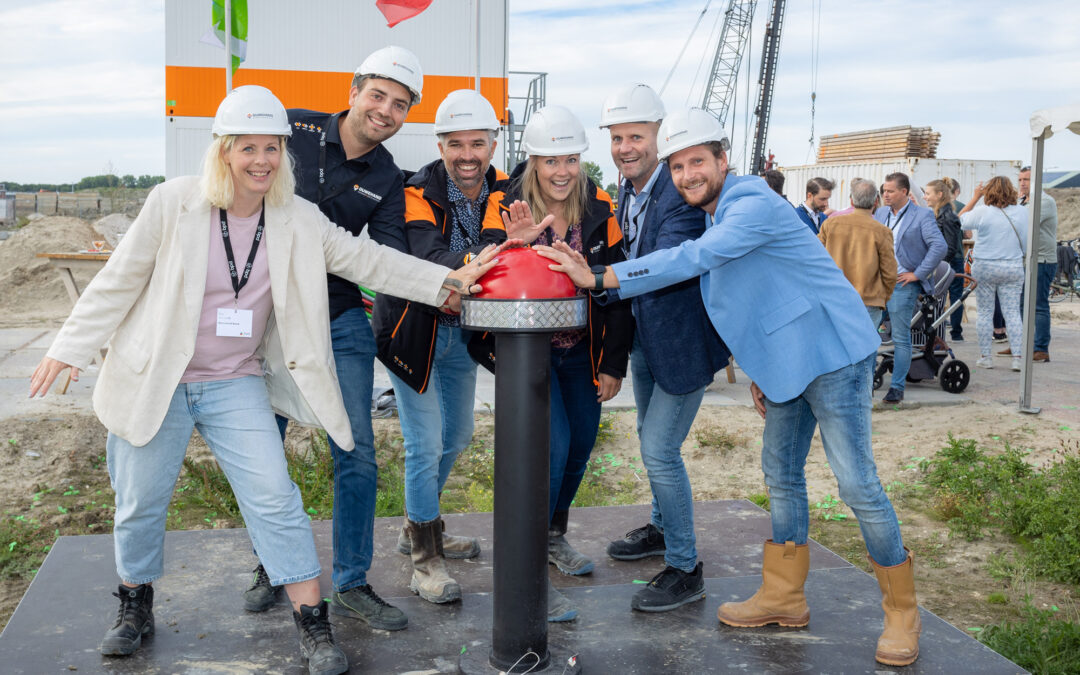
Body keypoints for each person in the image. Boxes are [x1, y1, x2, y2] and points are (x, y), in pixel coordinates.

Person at [26, 86, 501, 675]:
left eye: (272, 148)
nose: (261, 160)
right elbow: (117, 281)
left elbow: (370, 261)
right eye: (247, 147)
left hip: (235, 380)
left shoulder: (298, 218)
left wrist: (449, 279)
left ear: (284, 152)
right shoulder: (173, 203)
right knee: (141, 503)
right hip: (158, 380)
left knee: (276, 500)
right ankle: (134, 604)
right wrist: (69, 346)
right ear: (224, 151)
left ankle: (312, 623)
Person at [537, 107, 920, 667]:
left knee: (857, 484)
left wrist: (600, 277)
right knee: (782, 478)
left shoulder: (750, 204)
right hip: (787, 366)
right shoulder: (719, 213)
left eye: (699, 162)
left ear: (723, 160)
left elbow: (695, 258)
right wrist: (762, 369)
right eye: (679, 166)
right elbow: (756, 298)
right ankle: (784, 595)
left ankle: (901, 613)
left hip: (835, 357)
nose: (689, 174)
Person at [247, 46, 425, 631]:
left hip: (338, 312)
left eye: (400, 104)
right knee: (261, 447)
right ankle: (272, 566)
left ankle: (352, 581)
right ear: (353, 91)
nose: (385, 110)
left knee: (355, 449)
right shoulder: (290, 128)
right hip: (264, 311)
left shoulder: (387, 176)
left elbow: (390, 252)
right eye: (377, 95)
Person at [371, 89, 512, 605]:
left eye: (478, 143)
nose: (468, 155)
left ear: (493, 145)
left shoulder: (505, 186)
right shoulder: (416, 190)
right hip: (413, 328)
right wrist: (494, 253)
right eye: (457, 144)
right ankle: (425, 561)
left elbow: (498, 255)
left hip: (463, 331)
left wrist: (487, 257)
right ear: (441, 144)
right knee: (424, 442)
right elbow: (431, 256)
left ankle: (418, 524)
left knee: (458, 434)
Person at [597, 84, 730, 612]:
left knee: (659, 450)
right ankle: (660, 525)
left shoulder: (678, 194)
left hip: (681, 343)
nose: (626, 147)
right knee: (648, 441)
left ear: (659, 137)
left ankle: (684, 565)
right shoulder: (631, 190)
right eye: (617, 137)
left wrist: (598, 277)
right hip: (648, 342)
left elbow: (666, 261)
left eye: (637, 136)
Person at [499, 104, 633, 621]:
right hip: (528, 353)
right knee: (548, 454)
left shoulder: (601, 207)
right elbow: (489, 269)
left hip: (581, 351)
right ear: (532, 161)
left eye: (571, 159)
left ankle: (554, 535)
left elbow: (616, 288)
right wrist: (519, 246)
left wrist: (613, 364)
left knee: (578, 448)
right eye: (550, 160)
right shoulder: (504, 203)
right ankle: (528, 568)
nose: (561, 171)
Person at [873, 173, 947, 403]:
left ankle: (896, 388)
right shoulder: (881, 213)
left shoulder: (921, 215)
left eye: (890, 191)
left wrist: (918, 274)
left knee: (900, 337)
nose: (885, 194)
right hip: (878, 282)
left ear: (904, 192)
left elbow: (939, 246)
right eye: (884, 190)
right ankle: (865, 384)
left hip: (902, 283)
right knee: (868, 331)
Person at [958, 177, 1029, 371]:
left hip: (985, 266)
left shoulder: (982, 212)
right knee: (1013, 313)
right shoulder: (1023, 212)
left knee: (985, 312)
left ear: (988, 192)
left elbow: (959, 221)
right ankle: (1017, 358)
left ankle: (986, 357)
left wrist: (974, 198)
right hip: (1012, 266)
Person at [818, 179, 897, 329]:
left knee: (839, 347)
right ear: (875, 201)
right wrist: (883, 297)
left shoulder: (830, 224)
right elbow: (890, 272)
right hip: (868, 299)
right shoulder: (882, 231)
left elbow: (815, 257)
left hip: (835, 296)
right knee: (866, 349)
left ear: (852, 200)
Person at [1018, 166, 1058, 361]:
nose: (1023, 183)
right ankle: (1022, 344)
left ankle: (1041, 348)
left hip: (1042, 260)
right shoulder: (1023, 201)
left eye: (1027, 179)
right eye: (1020, 180)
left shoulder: (1044, 201)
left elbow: (1026, 223)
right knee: (1021, 304)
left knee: (1039, 305)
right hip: (1026, 259)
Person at [941, 176, 967, 341]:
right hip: (956, 255)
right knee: (957, 295)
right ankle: (956, 333)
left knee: (938, 295)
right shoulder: (962, 207)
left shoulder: (936, 208)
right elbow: (968, 233)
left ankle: (937, 330)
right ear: (956, 191)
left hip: (940, 258)